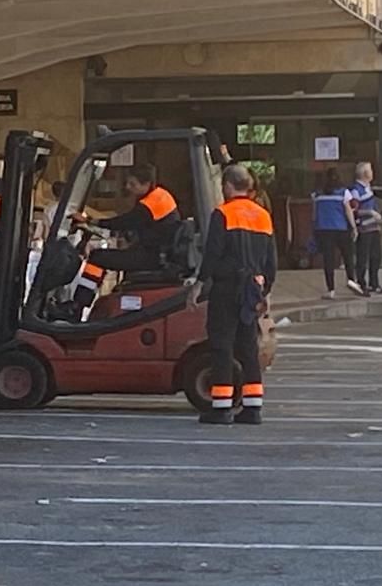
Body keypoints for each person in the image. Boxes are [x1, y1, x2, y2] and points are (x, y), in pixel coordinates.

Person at [193, 165, 276, 426]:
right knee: (248, 347)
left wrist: (199, 283)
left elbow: (213, 253)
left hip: (227, 288)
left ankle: (222, 406)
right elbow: (271, 261)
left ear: (227, 186)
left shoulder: (223, 214)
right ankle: (252, 407)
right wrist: (265, 291)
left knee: (221, 345)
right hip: (252, 288)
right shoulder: (263, 216)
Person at [71, 164, 182, 312]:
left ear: (147, 184)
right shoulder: (160, 195)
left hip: (151, 257)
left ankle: (77, 306)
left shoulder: (149, 205)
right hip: (156, 253)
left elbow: (123, 222)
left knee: (97, 258)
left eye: (132, 184)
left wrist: (91, 220)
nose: (128, 187)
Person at [311, 167, 362, 299]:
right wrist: (354, 227)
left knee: (328, 260)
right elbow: (348, 210)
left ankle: (331, 290)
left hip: (324, 229)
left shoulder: (317, 194)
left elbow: (314, 213)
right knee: (348, 256)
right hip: (341, 228)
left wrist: (315, 228)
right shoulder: (344, 192)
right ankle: (351, 281)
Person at [350, 161, 382, 294]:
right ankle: (361, 283)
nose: (372, 173)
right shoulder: (355, 190)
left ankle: (374, 283)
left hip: (374, 227)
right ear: (364, 174)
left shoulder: (368, 188)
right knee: (362, 257)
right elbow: (354, 210)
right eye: (370, 170)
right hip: (364, 228)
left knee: (376, 256)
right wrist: (370, 213)